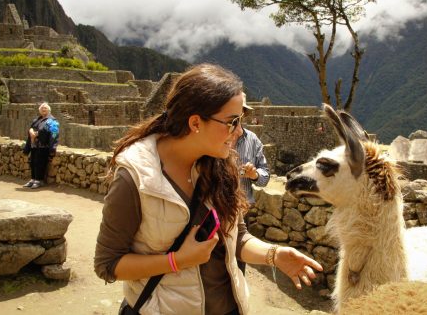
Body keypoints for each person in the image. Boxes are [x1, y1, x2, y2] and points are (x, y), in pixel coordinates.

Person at [94, 64, 322, 315]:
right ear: (195, 123)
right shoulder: (135, 178)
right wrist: (176, 261)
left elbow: (236, 237)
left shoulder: (222, 167)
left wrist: (274, 254)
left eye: (240, 121)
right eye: (232, 121)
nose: (239, 131)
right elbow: (108, 264)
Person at [230, 93, 269, 211]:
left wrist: (254, 175)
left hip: (243, 208)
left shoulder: (253, 140)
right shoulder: (215, 138)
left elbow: (265, 175)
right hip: (215, 208)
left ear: (243, 112)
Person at [22, 102, 59, 189]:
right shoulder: (37, 120)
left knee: (40, 163)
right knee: (33, 162)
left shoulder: (53, 121)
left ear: (49, 110)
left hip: (43, 146)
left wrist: (52, 148)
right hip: (34, 145)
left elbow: (54, 134)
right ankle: (33, 179)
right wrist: (31, 131)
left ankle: (39, 180)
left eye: (45, 108)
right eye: (42, 108)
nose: (43, 109)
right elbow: (32, 128)